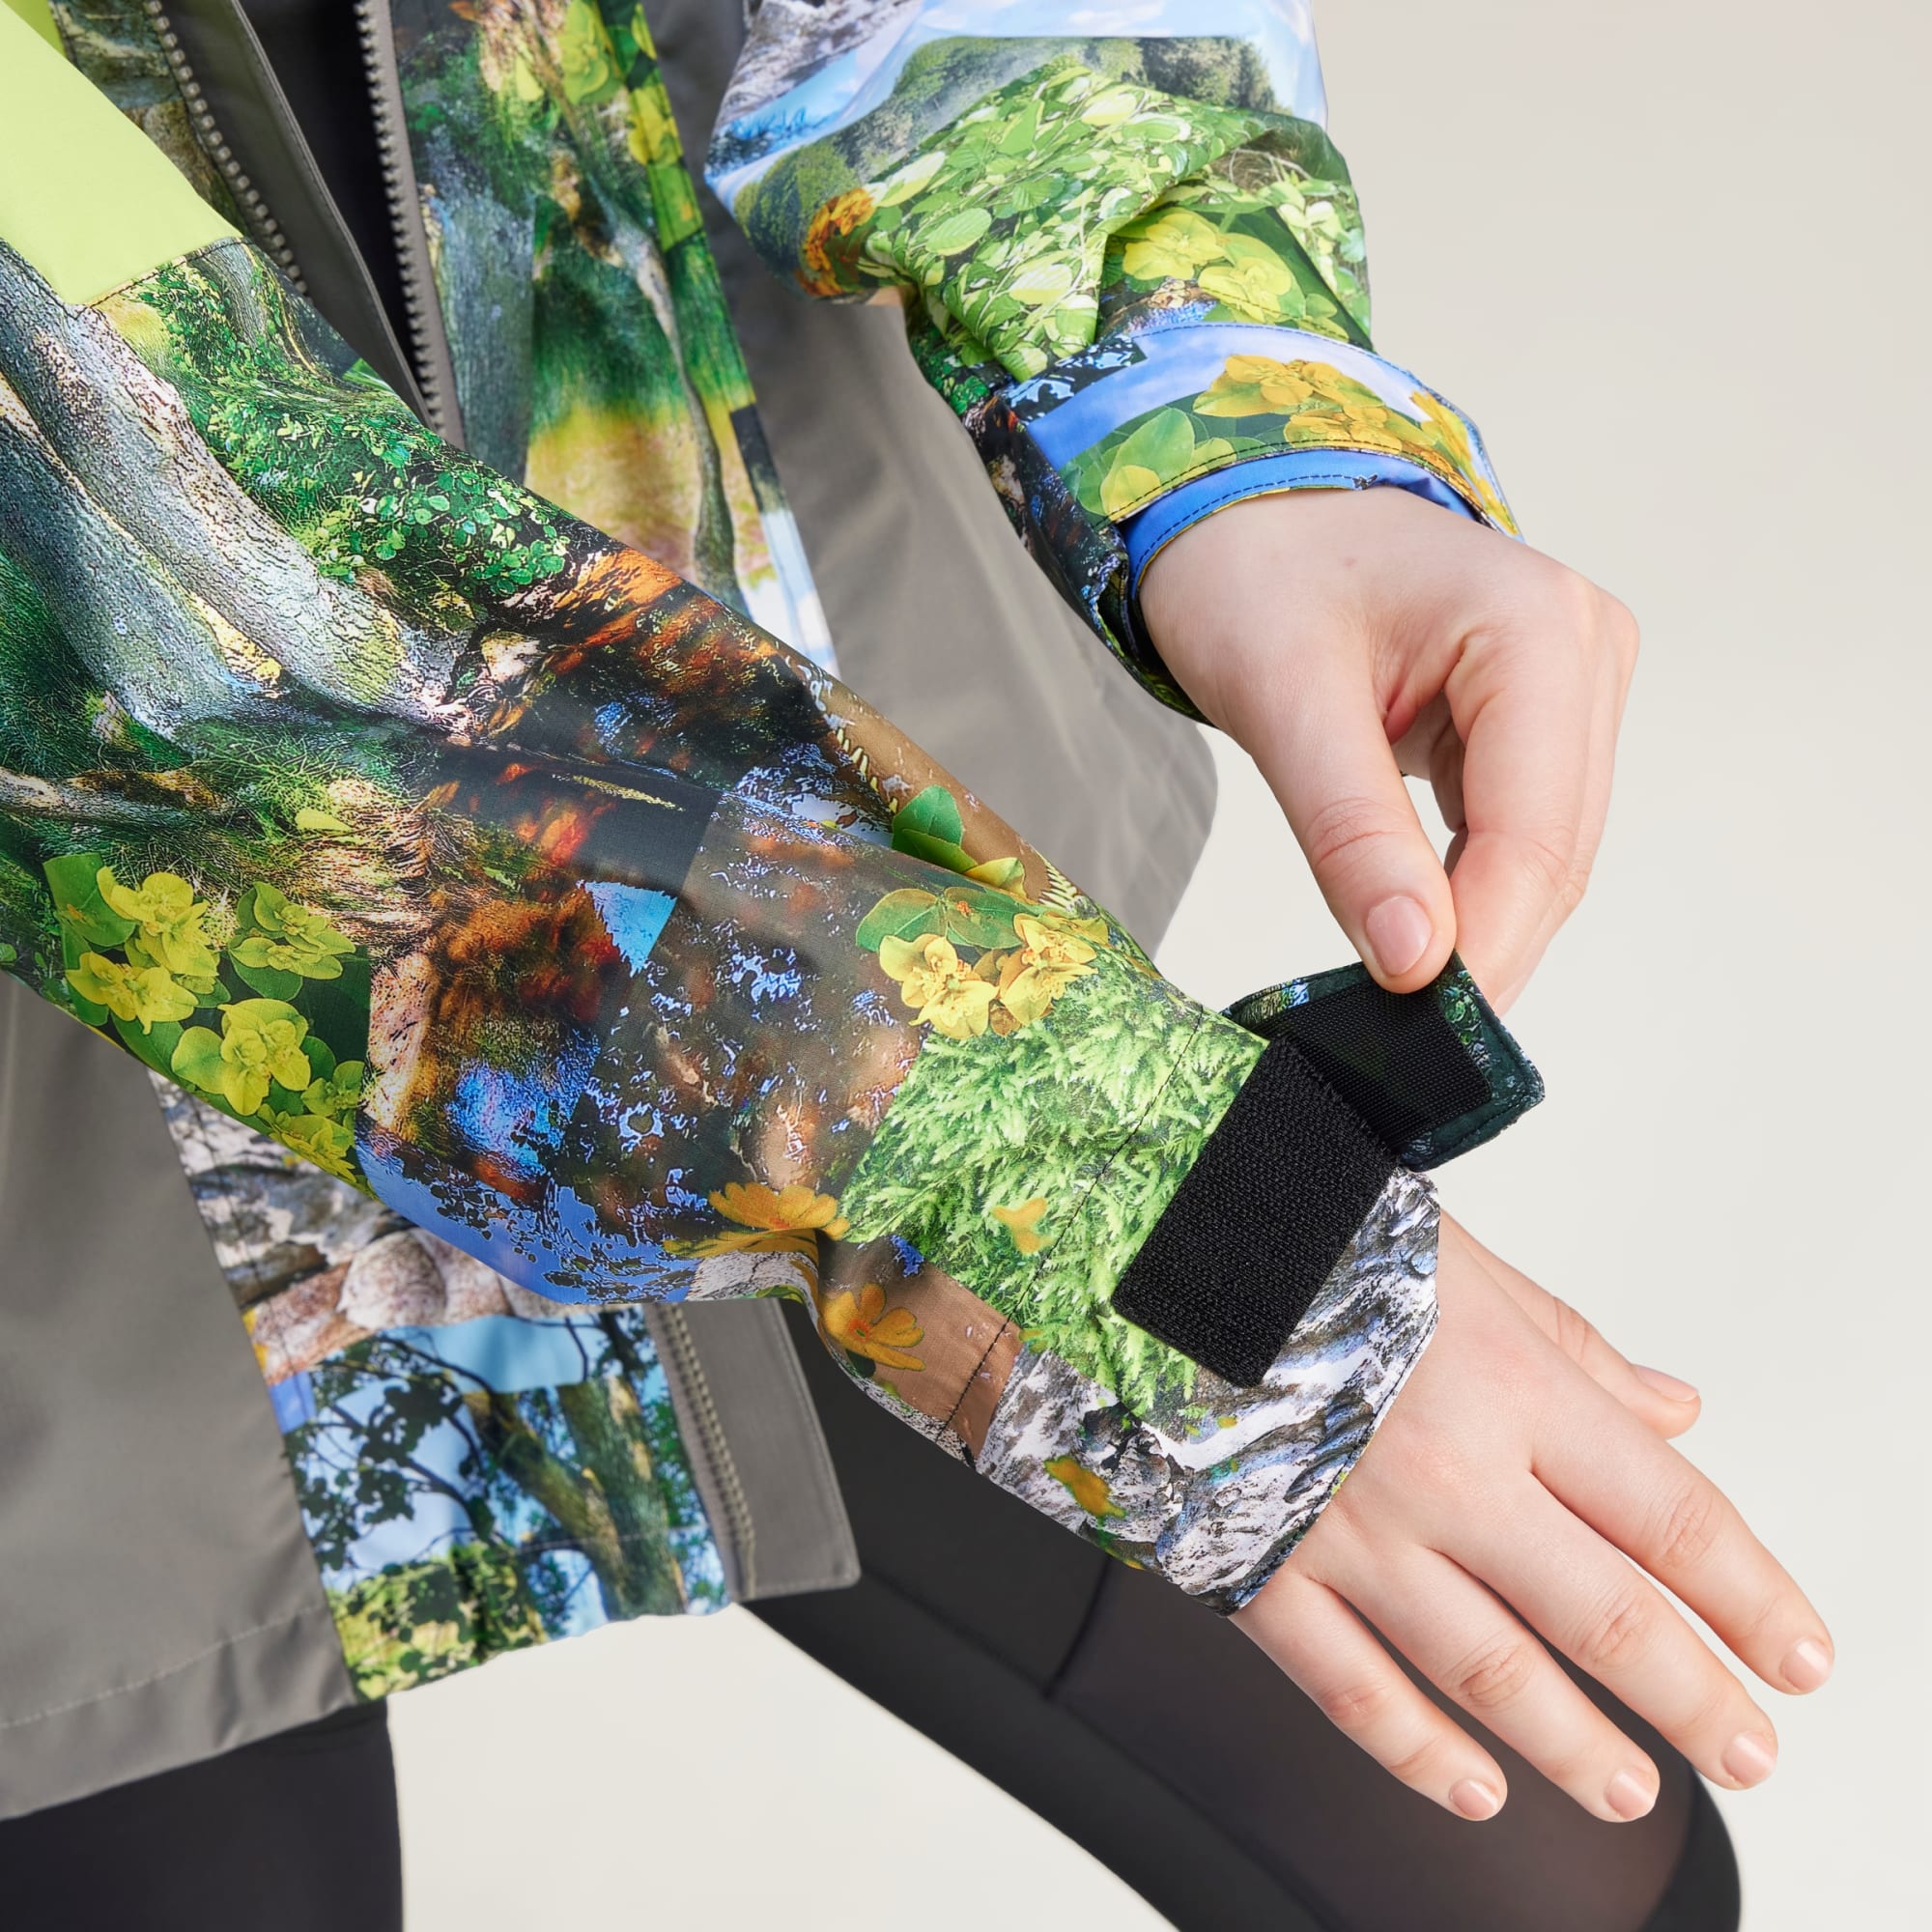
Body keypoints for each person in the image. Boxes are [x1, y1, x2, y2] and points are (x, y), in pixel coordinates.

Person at [0, 4, 1827, 1927]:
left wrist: (1229, 412)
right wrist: (1171, 1220)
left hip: (807, 780)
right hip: (111, 1163)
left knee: (1543, 1871)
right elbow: (119, 585)